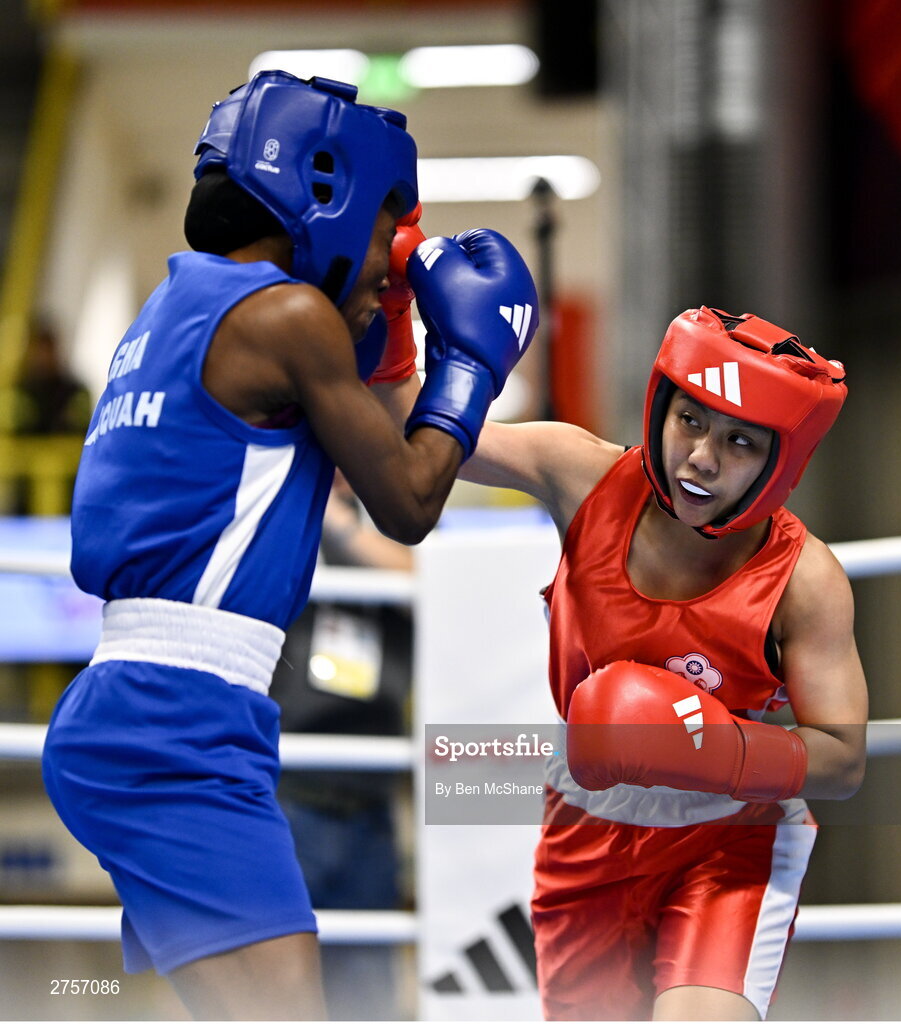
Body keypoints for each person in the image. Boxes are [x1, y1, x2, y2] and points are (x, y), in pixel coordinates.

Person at [41, 69, 538, 1021]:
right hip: (171, 725)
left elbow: (355, 404)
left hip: (154, 710)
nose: (397, 258)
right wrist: (470, 368)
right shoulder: (288, 318)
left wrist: (389, 332)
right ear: (327, 192)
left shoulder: (174, 310)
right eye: (389, 225)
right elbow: (407, 501)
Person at [458, 305, 869, 1020]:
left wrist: (716, 749)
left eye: (739, 440)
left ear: (781, 462)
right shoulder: (580, 475)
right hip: (584, 827)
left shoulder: (803, 580)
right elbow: (420, 440)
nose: (703, 457)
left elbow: (841, 758)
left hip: (727, 839)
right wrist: (399, 317)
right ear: (659, 410)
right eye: (690, 421)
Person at [271, 474, 413, 1021]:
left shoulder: (406, 515)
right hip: (286, 792)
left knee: (368, 998)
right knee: (278, 986)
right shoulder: (279, 508)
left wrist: (341, 526)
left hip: (369, 804)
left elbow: (432, 586)